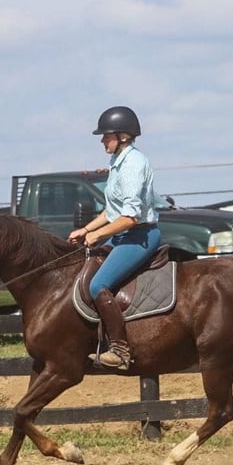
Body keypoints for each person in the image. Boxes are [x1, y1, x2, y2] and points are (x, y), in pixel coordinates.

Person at [68, 106, 161, 370]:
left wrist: (98, 234)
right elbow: (112, 212)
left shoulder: (133, 164)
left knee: (98, 285)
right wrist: (86, 230)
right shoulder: (117, 162)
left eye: (106, 136)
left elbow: (130, 217)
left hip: (139, 235)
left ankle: (120, 350)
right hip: (125, 234)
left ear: (122, 136)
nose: (102, 141)